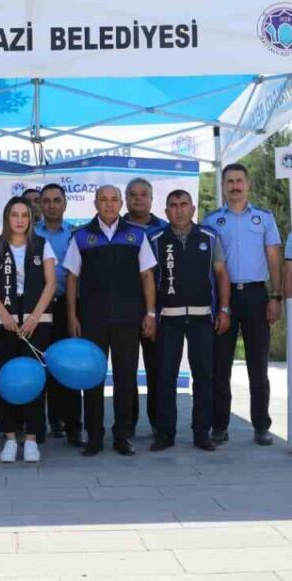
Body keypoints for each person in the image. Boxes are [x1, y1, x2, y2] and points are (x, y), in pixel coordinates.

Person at [64, 185, 157, 456]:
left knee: (125, 379)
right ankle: (94, 437)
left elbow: (147, 276)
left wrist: (150, 313)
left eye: (114, 199)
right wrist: (72, 316)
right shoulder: (81, 236)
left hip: (128, 319)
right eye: (103, 200)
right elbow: (71, 278)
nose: (109, 204)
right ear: (95, 203)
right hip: (92, 320)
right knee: (93, 378)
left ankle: (122, 437)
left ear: (121, 203)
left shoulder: (137, 235)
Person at [205, 163, 282, 446]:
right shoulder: (211, 220)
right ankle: (219, 426)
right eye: (230, 181)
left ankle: (261, 426)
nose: (235, 186)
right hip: (224, 300)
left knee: (258, 367)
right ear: (223, 186)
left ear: (247, 184)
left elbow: (274, 258)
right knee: (220, 366)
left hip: (256, 296)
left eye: (239, 181)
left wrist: (276, 297)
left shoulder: (264, 218)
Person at [149, 189, 230, 452]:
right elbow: (147, 279)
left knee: (204, 377)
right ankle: (165, 434)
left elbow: (221, 274)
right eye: (173, 205)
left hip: (202, 318)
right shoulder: (155, 239)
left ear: (193, 209)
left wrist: (224, 309)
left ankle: (202, 433)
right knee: (165, 378)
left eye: (184, 204)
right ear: (166, 212)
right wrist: (150, 315)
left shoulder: (209, 236)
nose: (179, 209)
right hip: (168, 320)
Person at [0, 197, 58, 462]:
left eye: (24, 215)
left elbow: (51, 283)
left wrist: (35, 317)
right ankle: (10, 438)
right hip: (1, 324)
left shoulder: (42, 245)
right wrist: (3, 314)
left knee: (34, 379)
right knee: (6, 379)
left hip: (36, 324)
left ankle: (32, 438)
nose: (19, 220)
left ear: (30, 219)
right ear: (7, 218)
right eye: (14, 215)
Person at [36, 183, 82, 445]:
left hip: (67, 307)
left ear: (65, 204)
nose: (51, 205)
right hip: (37, 309)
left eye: (57, 200)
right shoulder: (30, 233)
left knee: (68, 367)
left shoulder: (76, 235)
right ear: (40, 205)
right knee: (39, 365)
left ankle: (72, 426)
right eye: (46, 201)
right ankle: (37, 427)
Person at [124, 177, 168, 439]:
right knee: (127, 371)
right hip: (126, 311)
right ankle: (128, 424)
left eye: (143, 194)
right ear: (126, 199)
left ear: (151, 199)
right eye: (133, 194)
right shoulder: (116, 228)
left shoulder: (165, 229)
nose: (138, 199)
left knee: (157, 370)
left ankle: (158, 424)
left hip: (158, 311)